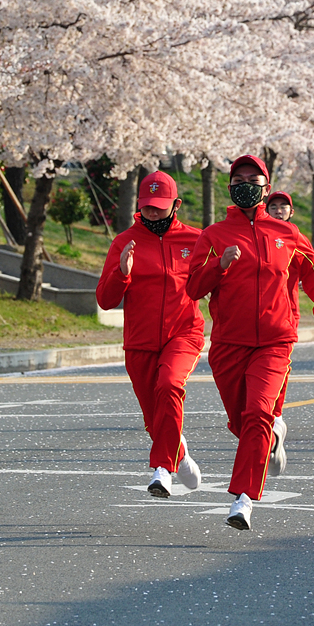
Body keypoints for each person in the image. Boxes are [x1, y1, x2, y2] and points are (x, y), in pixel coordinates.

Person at [185, 155, 314, 531]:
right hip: (228, 344)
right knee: (244, 423)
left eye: (254, 179)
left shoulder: (287, 234)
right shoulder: (213, 235)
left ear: (266, 189)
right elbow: (193, 288)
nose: (246, 185)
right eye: (238, 179)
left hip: (275, 340)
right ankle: (272, 434)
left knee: (256, 413)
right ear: (230, 188)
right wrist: (219, 265)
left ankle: (243, 500)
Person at [96, 171, 206, 498]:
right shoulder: (123, 242)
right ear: (139, 206)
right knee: (154, 420)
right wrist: (122, 272)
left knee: (170, 384)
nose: (154, 213)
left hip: (184, 334)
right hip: (140, 343)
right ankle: (180, 454)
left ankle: (163, 469)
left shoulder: (197, 240)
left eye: (160, 206)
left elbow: (218, 282)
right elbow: (105, 300)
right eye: (148, 207)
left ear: (176, 204)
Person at [262, 189, 314, 474]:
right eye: (274, 206)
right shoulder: (249, 235)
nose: (278, 210)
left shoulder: (293, 237)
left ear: (291, 212)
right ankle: (272, 427)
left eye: (284, 207)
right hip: (241, 324)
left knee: (276, 371)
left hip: (283, 318)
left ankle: (275, 420)